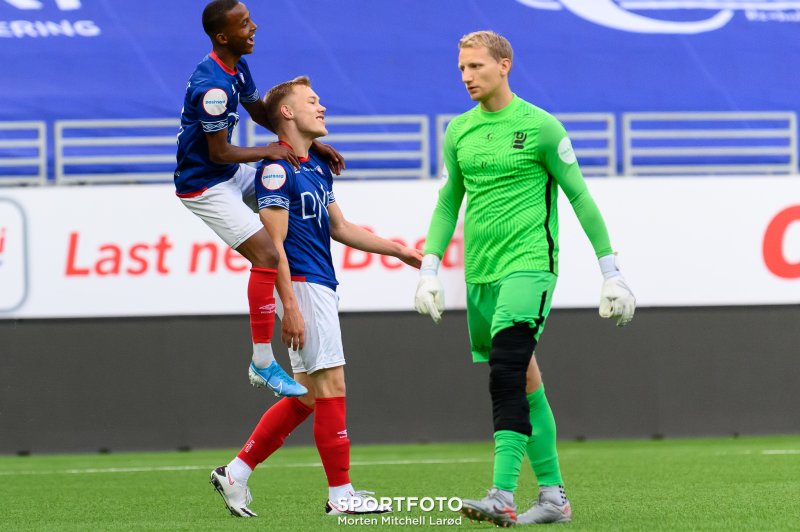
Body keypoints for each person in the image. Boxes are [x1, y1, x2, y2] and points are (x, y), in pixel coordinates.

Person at [414, 31, 636, 527]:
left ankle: (502, 493)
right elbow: (449, 202)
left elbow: (580, 197)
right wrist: (430, 267)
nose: (468, 77)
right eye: (462, 69)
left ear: (505, 64)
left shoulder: (541, 127)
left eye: (476, 66)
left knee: (508, 370)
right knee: (525, 379)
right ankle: (554, 497)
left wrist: (611, 272)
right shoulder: (459, 132)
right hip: (481, 275)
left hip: (530, 266)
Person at [210, 75, 422, 517]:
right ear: (286, 113)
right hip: (304, 286)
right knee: (331, 385)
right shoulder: (276, 170)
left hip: (319, 284)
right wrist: (289, 305)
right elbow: (274, 247)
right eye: (312, 101)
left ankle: (236, 473)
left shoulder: (315, 166)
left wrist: (400, 250)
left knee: (308, 395)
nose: (322, 107)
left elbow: (341, 228)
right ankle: (341, 496)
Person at [174, 0, 345, 397]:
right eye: (245, 24)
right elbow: (219, 153)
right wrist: (269, 150)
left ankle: (299, 291)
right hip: (204, 184)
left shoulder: (236, 68)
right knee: (267, 253)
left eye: (250, 20)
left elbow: (261, 114)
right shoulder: (213, 88)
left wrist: (307, 145)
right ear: (222, 36)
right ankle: (263, 361)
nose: (255, 28)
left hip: (227, 173)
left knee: (288, 182)